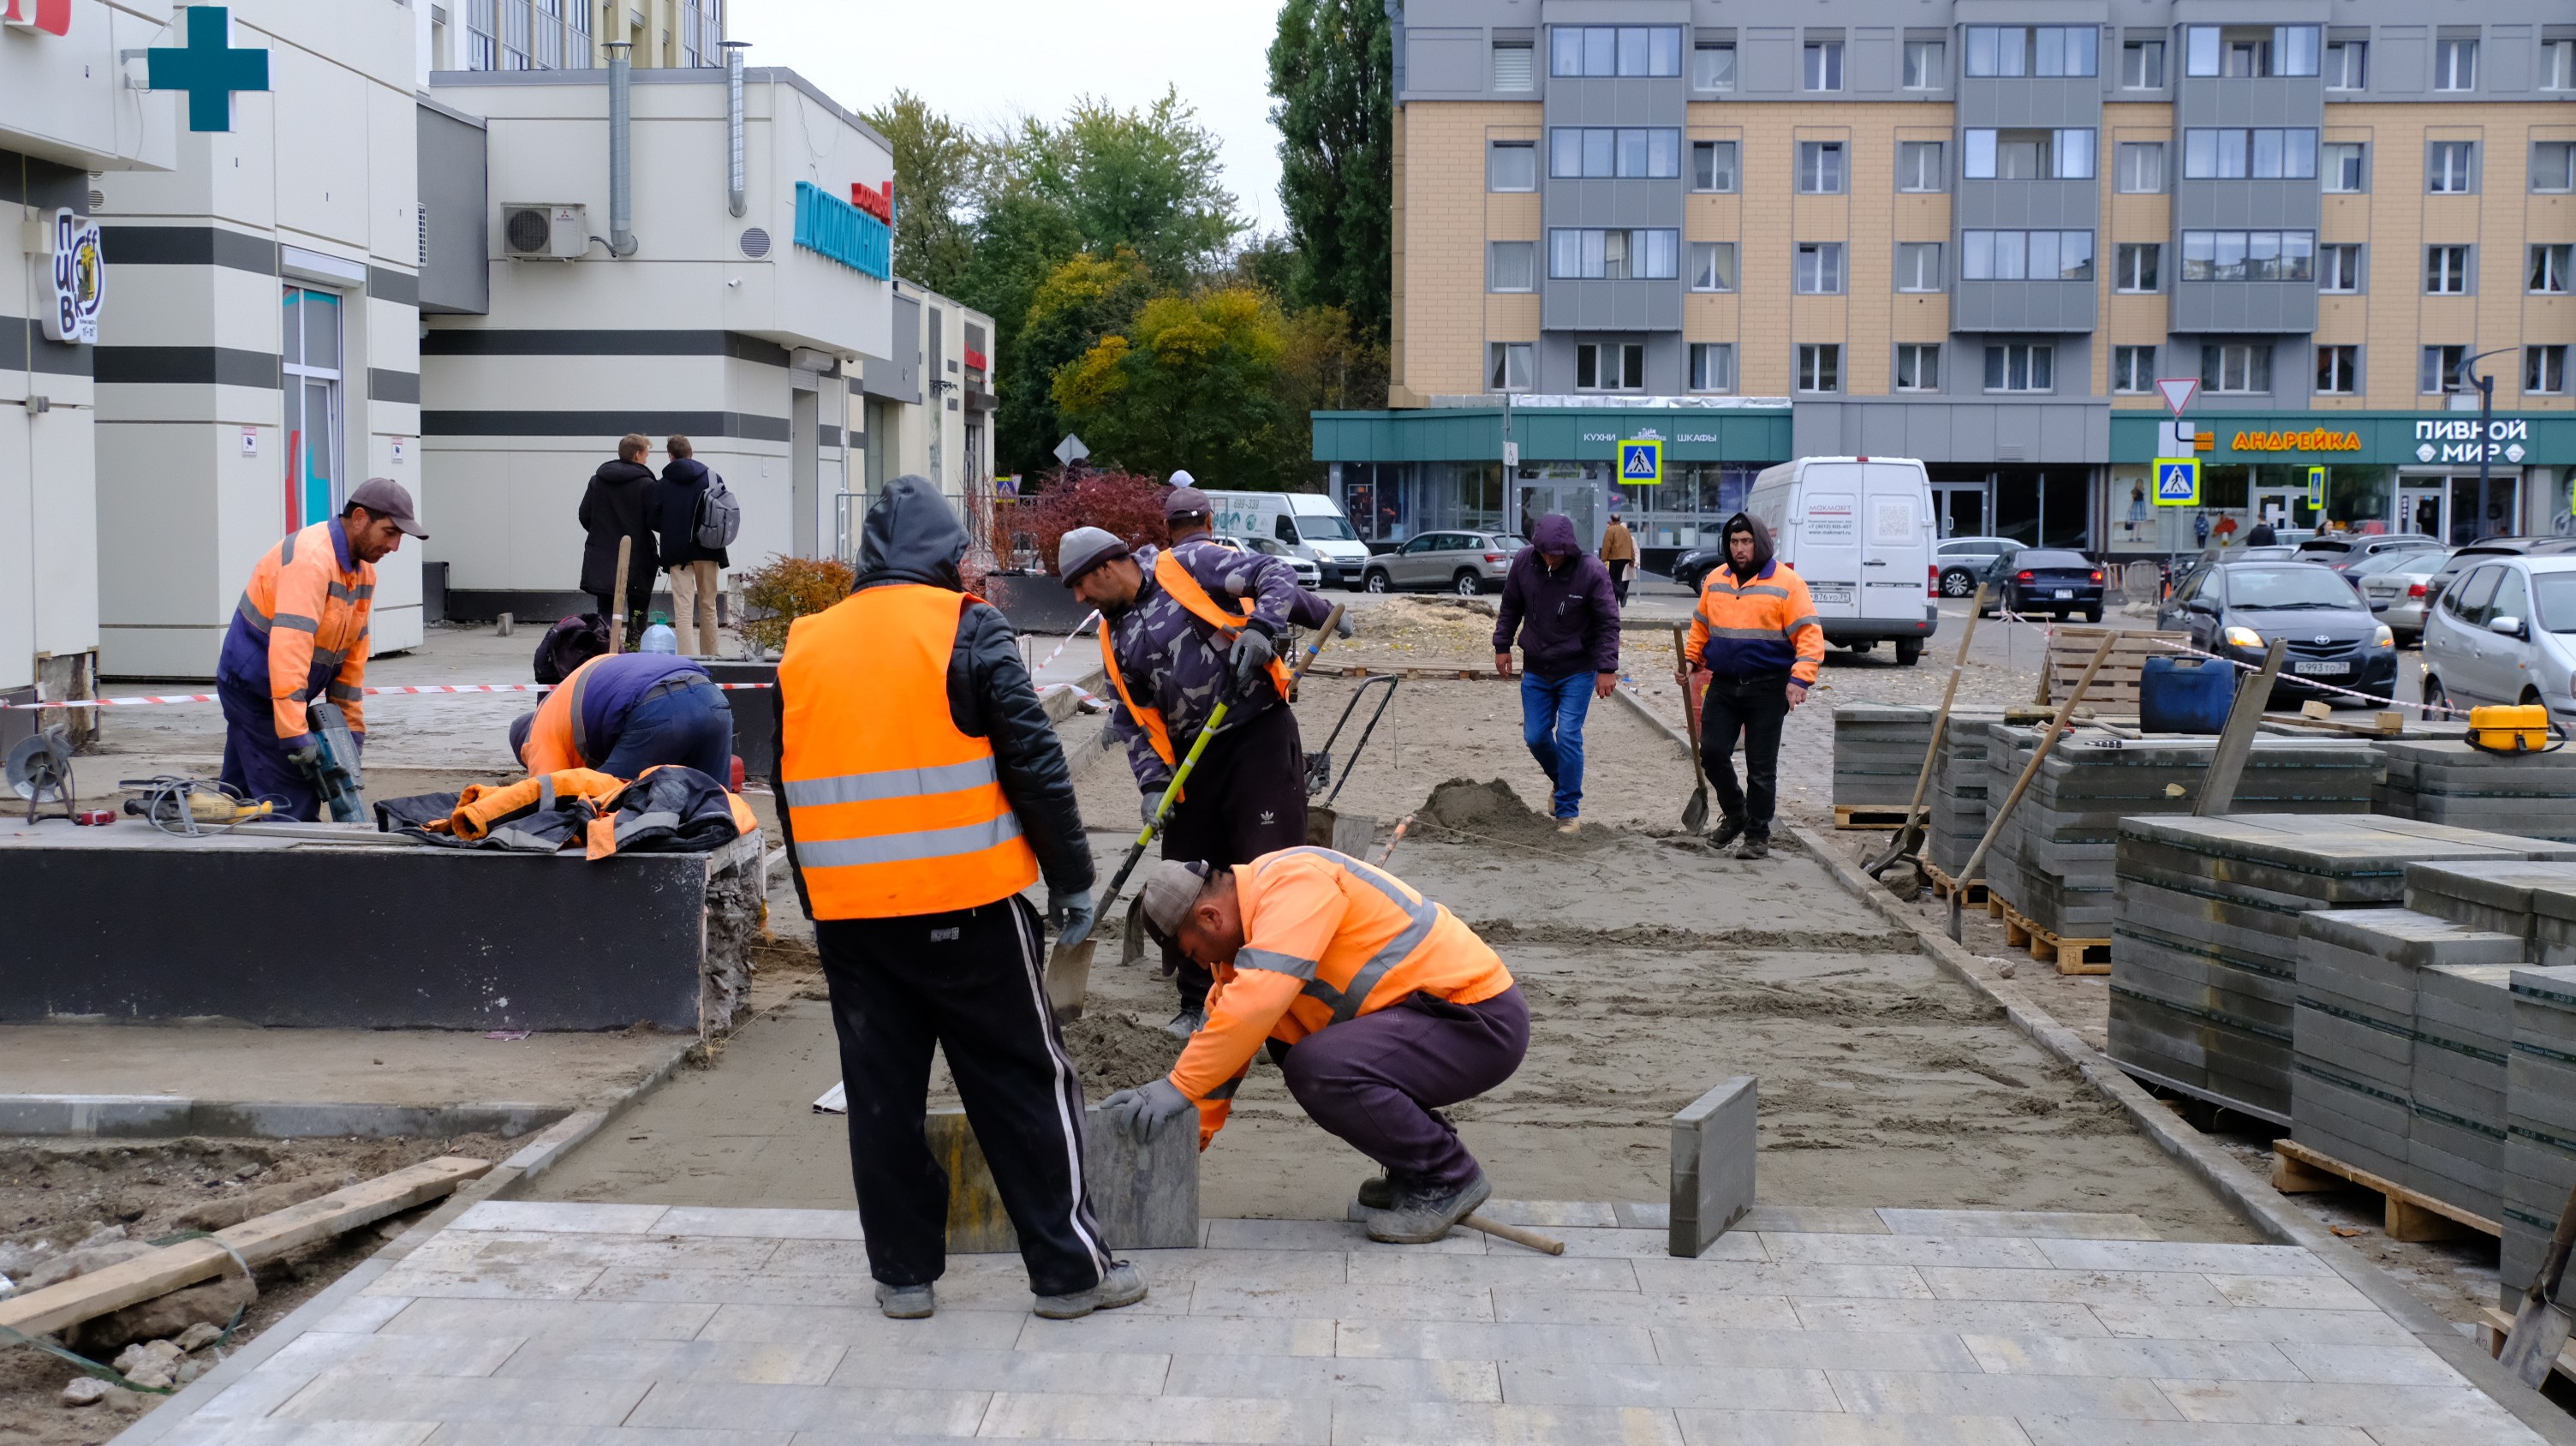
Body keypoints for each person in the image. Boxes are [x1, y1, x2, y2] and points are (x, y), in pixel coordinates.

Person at [773, 475, 1132, 1323]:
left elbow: (791, 791)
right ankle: (1069, 1272)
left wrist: (816, 899)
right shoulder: (966, 626)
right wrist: (1071, 877)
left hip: (852, 916)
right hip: (966, 903)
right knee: (1020, 1082)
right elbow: (1034, 764)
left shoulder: (805, 643)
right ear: (948, 558)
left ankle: (902, 1274)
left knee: (880, 1094)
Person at [1101, 850, 1527, 1244]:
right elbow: (1223, 1051)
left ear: (1211, 917)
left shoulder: (1292, 885)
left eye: (1193, 954)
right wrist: (1167, 1150)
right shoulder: (1243, 954)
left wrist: (1176, 1084)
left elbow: (1256, 1003)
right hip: (1426, 1023)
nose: (1199, 966)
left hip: (1477, 1021)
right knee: (1292, 1047)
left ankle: (1447, 1176)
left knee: (1317, 1066)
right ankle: (1415, 1169)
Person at [1061, 499, 1343, 1038]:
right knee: (1184, 876)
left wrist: (1262, 628)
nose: (1078, 598)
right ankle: (1197, 1003)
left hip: (1256, 733)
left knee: (1268, 870)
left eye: (1080, 584)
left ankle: (1283, 1003)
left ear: (1106, 569)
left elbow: (1275, 572)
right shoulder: (1113, 633)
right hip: (1191, 761)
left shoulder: (1185, 566)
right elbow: (1134, 715)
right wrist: (1152, 785)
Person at [217, 478, 425, 822]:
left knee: (240, 797)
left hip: (277, 689)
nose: (396, 545)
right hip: (256, 689)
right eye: (390, 532)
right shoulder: (311, 560)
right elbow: (289, 651)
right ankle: (294, 869)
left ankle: (218, 852)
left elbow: (351, 661)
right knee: (290, 799)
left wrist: (351, 732)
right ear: (359, 517)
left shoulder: (363, 574)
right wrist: (295, 733)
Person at [1685, 512, 1824, 859]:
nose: (1739, 549)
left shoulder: (1787, 583)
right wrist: (1690, 661)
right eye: (1734, 542)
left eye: (1746, 541)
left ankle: (1758, 834)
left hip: (1768, 687)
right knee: (1712, 751)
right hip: (1724, 684)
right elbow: (1701, 628)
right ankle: (1736, 813)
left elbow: (1809, 634)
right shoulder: (1716, 580)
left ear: (1759, 543)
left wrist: (1800, 680)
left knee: (1761, 767)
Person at [1491, 515, 1619, 834]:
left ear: (1570, 550)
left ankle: (1568, 812)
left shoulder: (1591, 572)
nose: (1551, 559)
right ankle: (1563, 780)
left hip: (1578, 668)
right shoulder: (1524, 563)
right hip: (1536, 666)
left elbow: (1608, 622)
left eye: (1558, 554)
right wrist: (1502, 645)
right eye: (1546, 553)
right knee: (1534, 736)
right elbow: (1510, 606)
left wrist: (1607, 668)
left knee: (1568, 735)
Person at [510, 651, 734, 781]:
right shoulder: (564, 702)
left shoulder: (538, 736)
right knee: (714, 806)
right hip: (712, 699)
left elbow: (552, 795)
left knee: (606, 808)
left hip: (657, 709)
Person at [651, 434, 730, 656]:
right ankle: (711, 658)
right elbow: (725, 513)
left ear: (670, 456)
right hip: (709, 548)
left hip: (677, 553)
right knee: (709, 605)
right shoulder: (713, 478)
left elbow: (652, 519)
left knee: (683, 610)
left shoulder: (663, 484)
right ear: (691, 453)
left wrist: (672, 528)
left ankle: (687, 659)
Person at [579, 433, 659, 641]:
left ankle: (604, 650)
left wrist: (603, 534)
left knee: (605, 608)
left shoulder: (597, 481)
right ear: (637, 455)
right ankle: (633, 651)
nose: (647, 459)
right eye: (646, 454)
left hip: (603, 556)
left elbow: (584, 515)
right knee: (637, 609)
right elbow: (655, 521)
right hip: (638, 556)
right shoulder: (647, 485)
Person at [1599, 510, 1638, 606]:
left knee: (1609, 579)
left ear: (1612, 521)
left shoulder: (1611, 530)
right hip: (1625, 558)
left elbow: (1606, 545)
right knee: (1618, 579)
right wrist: (1632, 560)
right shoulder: (1626, 531)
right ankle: (1616, 601)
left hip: (1615, 558)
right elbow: (1630, 546)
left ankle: (1622, 594)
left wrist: (1603, 559)